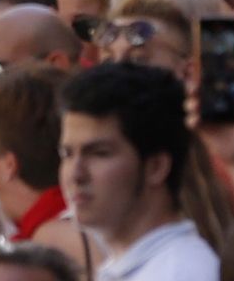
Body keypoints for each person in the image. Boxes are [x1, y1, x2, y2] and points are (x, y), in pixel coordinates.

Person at [58, 62, 219, 280]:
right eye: (67, 154)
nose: (75, 174)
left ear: (156, 168)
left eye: (99, 153)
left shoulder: (182, 272)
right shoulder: (132, 267)